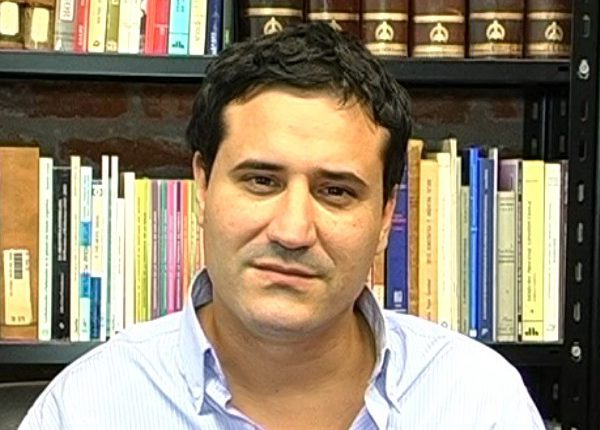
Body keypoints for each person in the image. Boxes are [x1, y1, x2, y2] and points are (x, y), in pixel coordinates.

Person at [20, 22, 544, 430]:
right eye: (261, 181)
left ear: (386, 217)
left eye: (336, 191)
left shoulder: (480, 403)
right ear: (202, 186)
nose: (293, 232)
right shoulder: (86, 408)